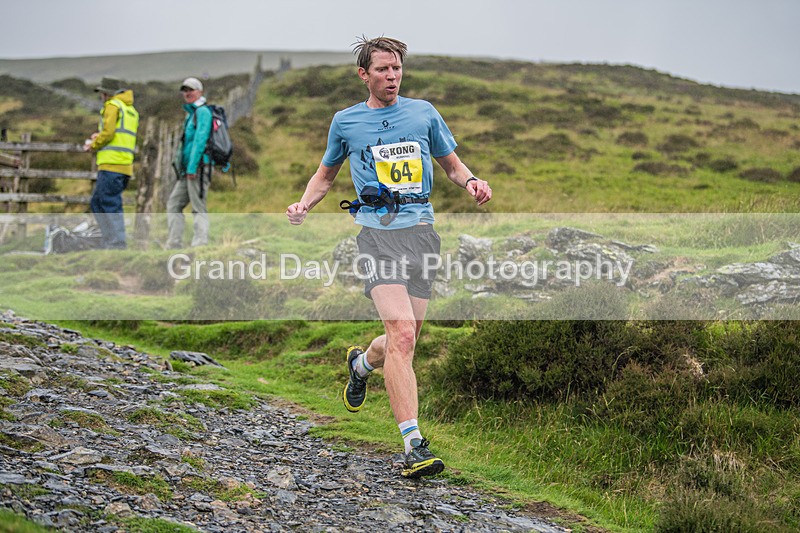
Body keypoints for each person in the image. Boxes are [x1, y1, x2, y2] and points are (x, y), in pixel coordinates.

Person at [286, 36, 492, 478]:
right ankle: (413, 445)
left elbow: (451, 164)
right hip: (377, 238)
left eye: (396, 68)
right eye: (382, 69)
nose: (392, 76)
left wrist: (472, 180)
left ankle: (360, 366)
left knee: (408, 338)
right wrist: (304, 204)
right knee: (400, 334)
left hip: (421, 235)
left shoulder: (423, 112)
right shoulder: (346, 122)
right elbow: (324, 176)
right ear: (364, 74)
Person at [84, 77, 139, 249]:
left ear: (106, 93)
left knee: (108, 203)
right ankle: (110, 241)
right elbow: (117, 134)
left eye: (101, 92)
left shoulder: (112, 106)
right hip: (125, 165)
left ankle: (116, 244)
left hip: (111, 164)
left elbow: (108, 133)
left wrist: (93, 144)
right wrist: (99, 136)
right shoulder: (130, 110)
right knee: (100, 202)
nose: (100, 96)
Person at [166, 77, 212, 248]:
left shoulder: (202, 112)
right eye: (184, 90)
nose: (187, 93)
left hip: (198, 168)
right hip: (187, 170)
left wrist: (192, 167)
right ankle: (173, 243)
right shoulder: (191, 113)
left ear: (199, 91)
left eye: (191, 90)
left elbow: (200, 141)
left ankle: (200, 243)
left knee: (198, 206)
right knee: (173, 204)